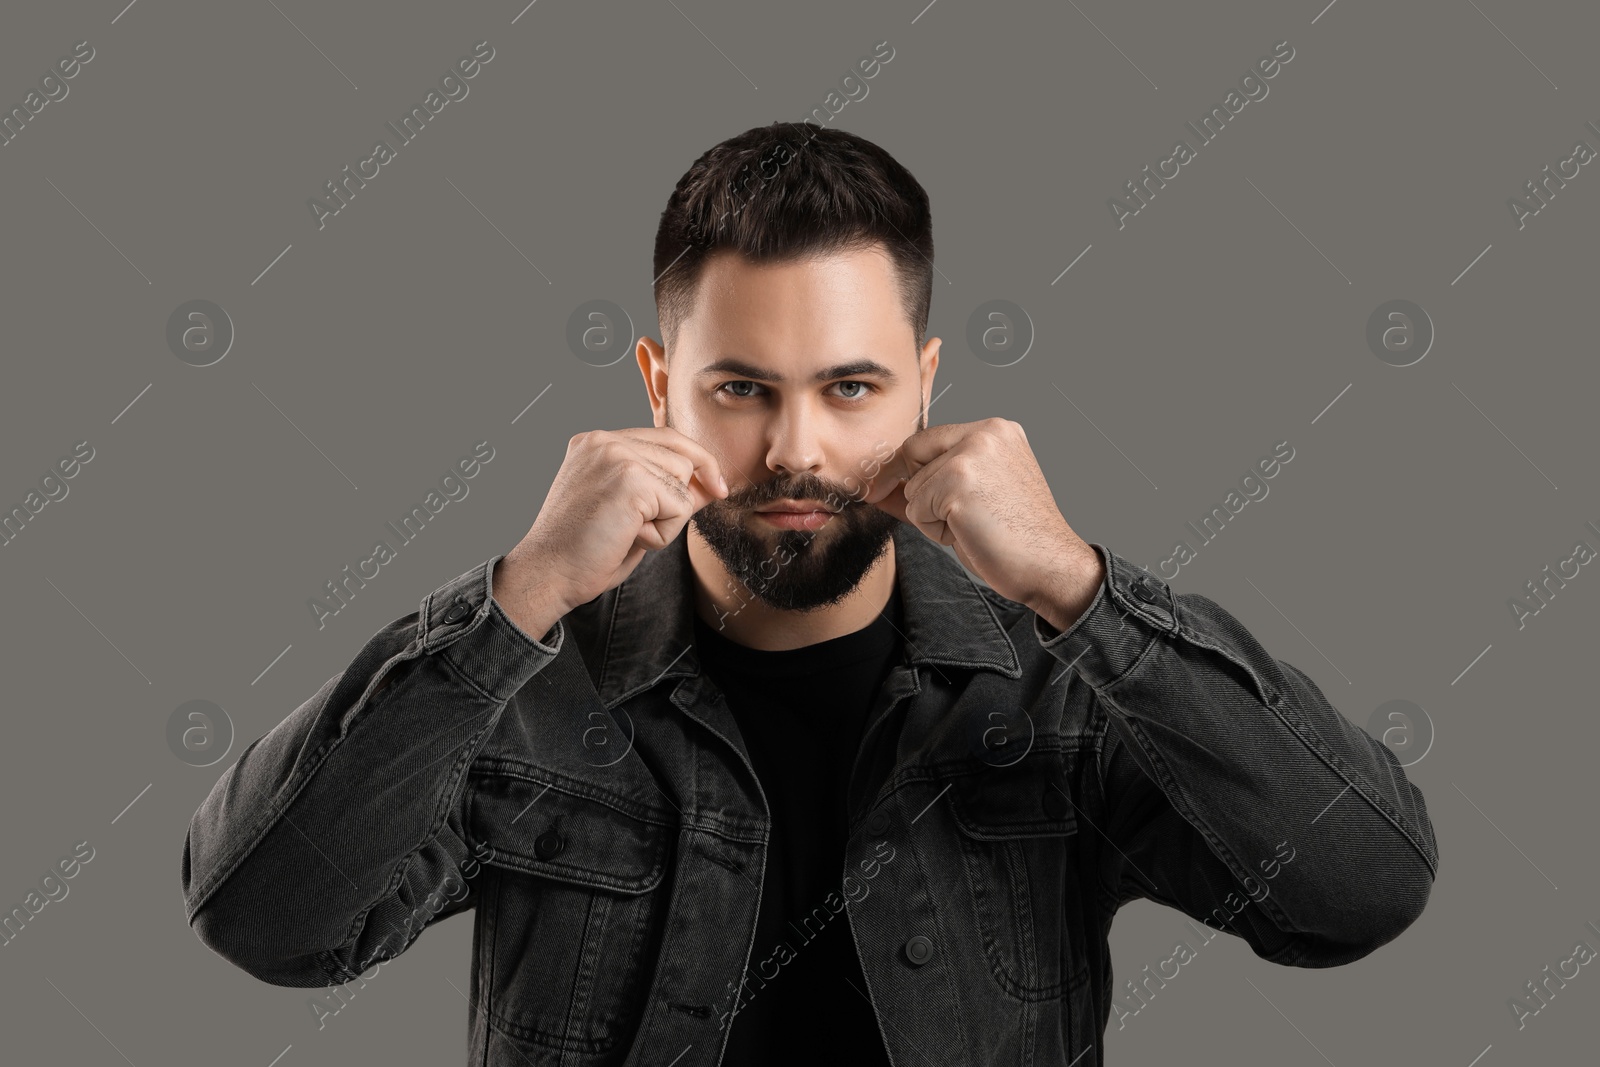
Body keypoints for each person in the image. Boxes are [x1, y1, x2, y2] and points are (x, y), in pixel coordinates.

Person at [182, 121, 1438, 1067]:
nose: (795, 450)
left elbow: (1356, 891)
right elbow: (264, 919)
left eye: (850, 387)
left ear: (926, 383)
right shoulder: (526, 678)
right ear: (658, 385)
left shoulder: (1054, 681)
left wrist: (1075, 584)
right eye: (741, 388)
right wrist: (511, 599)